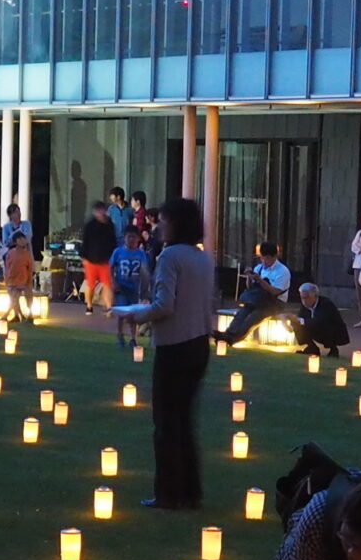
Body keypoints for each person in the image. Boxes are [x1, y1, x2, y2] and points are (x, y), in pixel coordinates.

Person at [116, 194, 217, 511]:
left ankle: (168, 493)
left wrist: (135, 314)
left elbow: (164, 305)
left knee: (166, 422)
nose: (158, 226)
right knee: (185, 422)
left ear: (175, 223)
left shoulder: (170, 257)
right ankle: (190, 491)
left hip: (174, 346)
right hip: (199, 344)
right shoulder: (203, 258)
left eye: (163, 220)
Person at [221, 240, 295, 344]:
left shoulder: (282, 271)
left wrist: (260, 280)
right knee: (241, 314)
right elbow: (251, 288)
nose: (264, 261)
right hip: (257, 299)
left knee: (252, 318)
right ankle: (227, 334)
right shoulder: (259, 268)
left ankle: (232, 339)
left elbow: (275, 292)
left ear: (274, 257)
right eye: (262, 257)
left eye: (267, 258)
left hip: (274, 303)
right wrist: (249, 278)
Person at [110, 225, 153, 350]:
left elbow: (145, 271)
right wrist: (113, 281)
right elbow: (111, 266)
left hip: (134, 287)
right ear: (124, 238)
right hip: (121, 286)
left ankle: (133, 338)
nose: (131, 240)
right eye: (129, 237)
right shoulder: (118, 252)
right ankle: (120, 335)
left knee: (133, 314)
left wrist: (145, 290)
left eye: (134, 237)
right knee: (122, 312)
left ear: (138, 239)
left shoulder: (140, 254)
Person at [75, 200, 118, 313]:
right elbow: (85, 242)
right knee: (90, 284)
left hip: (105, 260)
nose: (100, 213)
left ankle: (108, 307)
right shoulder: (90, 225)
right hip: (91, 259)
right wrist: (84, 258)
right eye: (98, 210)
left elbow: (113, 242)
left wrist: (112, 257)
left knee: (107, 284)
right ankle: (89, 305)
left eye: (101, 210)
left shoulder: (109, 224)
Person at [295, 281, 350, 356]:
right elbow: (301, 318)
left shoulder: (326, 304)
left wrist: (300, 321)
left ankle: (333, 349)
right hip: (317, 329)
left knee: (324, 325)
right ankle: (311, 347)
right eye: (302, 298)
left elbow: (319, 320)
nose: (304, 301)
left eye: (307, 297)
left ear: (315, 295)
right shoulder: (305, 305)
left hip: (332, 331)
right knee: (297, 324)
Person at [3, 227, 37, 313]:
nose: (23, 241)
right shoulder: (10, 253)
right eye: (20, 239)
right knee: (14, 300)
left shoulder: (27, 254)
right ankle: (17, 315)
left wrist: (29, 280)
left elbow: (29, 268)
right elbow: (7, 267)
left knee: (28, 298)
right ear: (15, 242)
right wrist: (7, 279)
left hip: (24, 280)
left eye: (24, 239)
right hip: (13, 280)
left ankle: (29, 315)